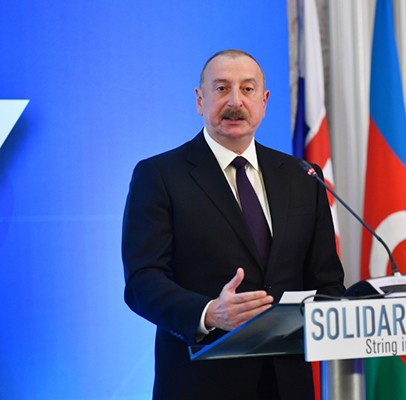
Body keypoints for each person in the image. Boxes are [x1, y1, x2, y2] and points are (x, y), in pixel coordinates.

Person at [122, 49, 345, 400]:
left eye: (247, 89)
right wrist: (209, 312)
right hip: (201, 384)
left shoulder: (303, 176)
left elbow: (327, 281)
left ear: (264, 101)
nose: (235, 102)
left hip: (288, 384)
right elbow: (142, 281)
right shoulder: (160, 175)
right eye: (222, 88)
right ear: (200, 100)